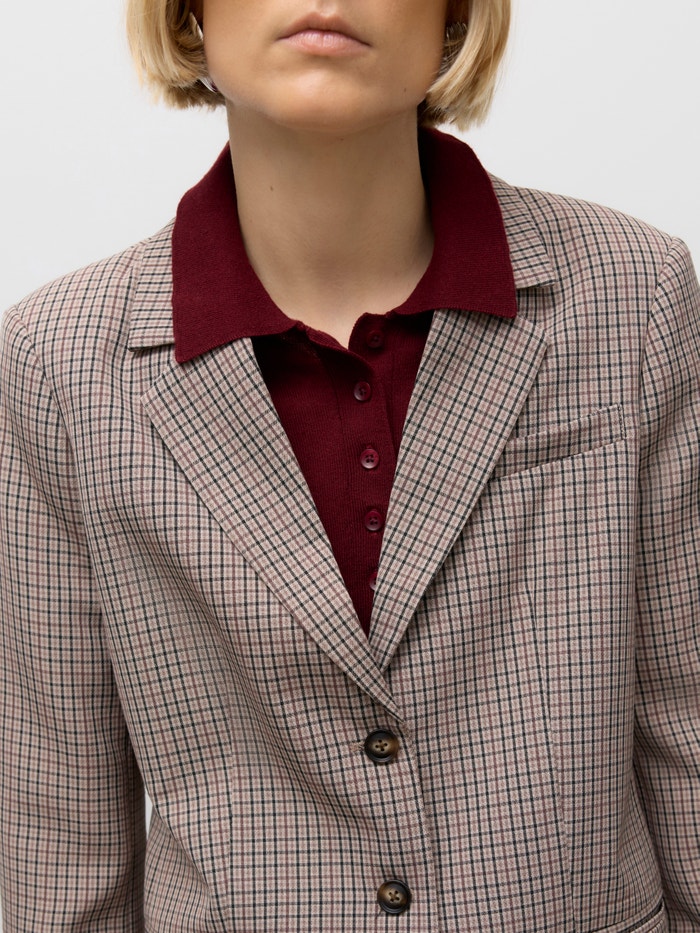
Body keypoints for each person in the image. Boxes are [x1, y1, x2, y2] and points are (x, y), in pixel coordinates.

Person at [1, 0, 698, 929]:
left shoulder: (633, 295)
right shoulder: (57, 363)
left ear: (455, 13)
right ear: (190, 10)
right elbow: (59, 833)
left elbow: (689, 731)